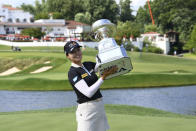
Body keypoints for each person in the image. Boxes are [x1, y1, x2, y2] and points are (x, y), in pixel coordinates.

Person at [64, 41, 117, 131]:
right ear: (67, 56)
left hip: (99, 106)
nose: (77, 53)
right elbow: (88, 93)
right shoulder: (72, 72)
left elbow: (102, 66)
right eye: (73, 52)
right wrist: (103, 77)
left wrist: (105, 49)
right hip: (87, 109)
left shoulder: (88, 64)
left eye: (78, 50)